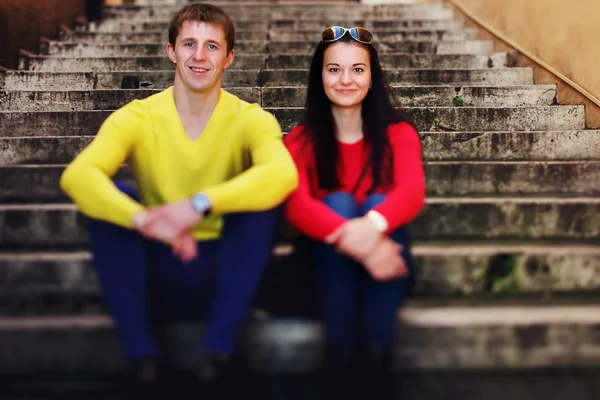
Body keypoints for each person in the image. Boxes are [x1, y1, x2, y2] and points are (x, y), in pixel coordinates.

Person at [60, 3, 298, 397]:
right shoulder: (136, 117)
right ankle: (143, 361)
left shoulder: (251, 118)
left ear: (229, 57)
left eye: (212, 46)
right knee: (114, 200)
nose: (199, 57)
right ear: (171, 51)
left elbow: (282, 174)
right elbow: (78, 176)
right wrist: (145, 220)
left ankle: (217, 358)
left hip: (224, 273)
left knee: (260, 205)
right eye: (189, 44)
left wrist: (196, 205)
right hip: (158, 271)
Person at [283, 26, 426, 400]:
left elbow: (411, 192)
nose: (346, 79)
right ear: (320, 76)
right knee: (339, 203)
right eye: (334, 69)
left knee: (380, 204)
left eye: (357, 70)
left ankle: (376, 366)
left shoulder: (398, 133)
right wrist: (362, 242)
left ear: (371, 75)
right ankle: (341, 364)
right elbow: (296, 205)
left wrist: (371, 229)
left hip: (387, 264)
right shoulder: (299, 141)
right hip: (325, 270)